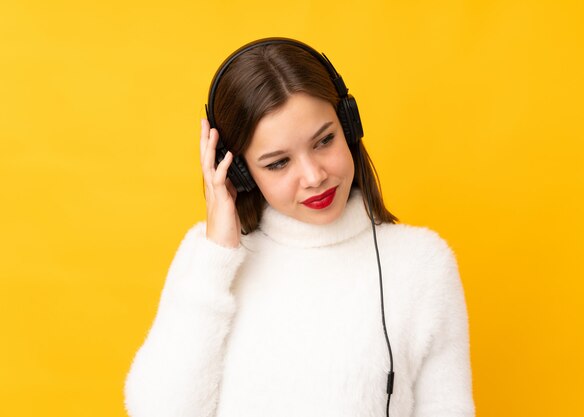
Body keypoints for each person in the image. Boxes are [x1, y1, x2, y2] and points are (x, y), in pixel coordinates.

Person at [124, 38, 475, 417]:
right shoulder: (208, 261)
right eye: (278, 163)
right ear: (240, 173)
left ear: (350, 125)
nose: (313, 176)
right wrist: (216, 257)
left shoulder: (423, 264)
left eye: (324, 140)